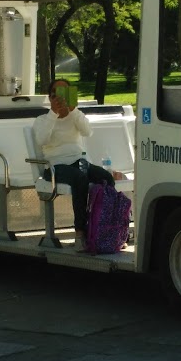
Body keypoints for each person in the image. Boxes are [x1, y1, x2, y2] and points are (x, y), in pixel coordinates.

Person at [33, 79, 115, 250]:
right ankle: (80, 231)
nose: (61, 98)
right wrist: (53, 114)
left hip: (78, 161)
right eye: (56, 94)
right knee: (79, 178)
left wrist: (74, 110)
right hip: (54, 166)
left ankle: (105, 226)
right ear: (50, 97)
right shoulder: (43, 119)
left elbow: (87, 131)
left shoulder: (76, 115)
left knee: (105, 177)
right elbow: (41, 139)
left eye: (65, 93)